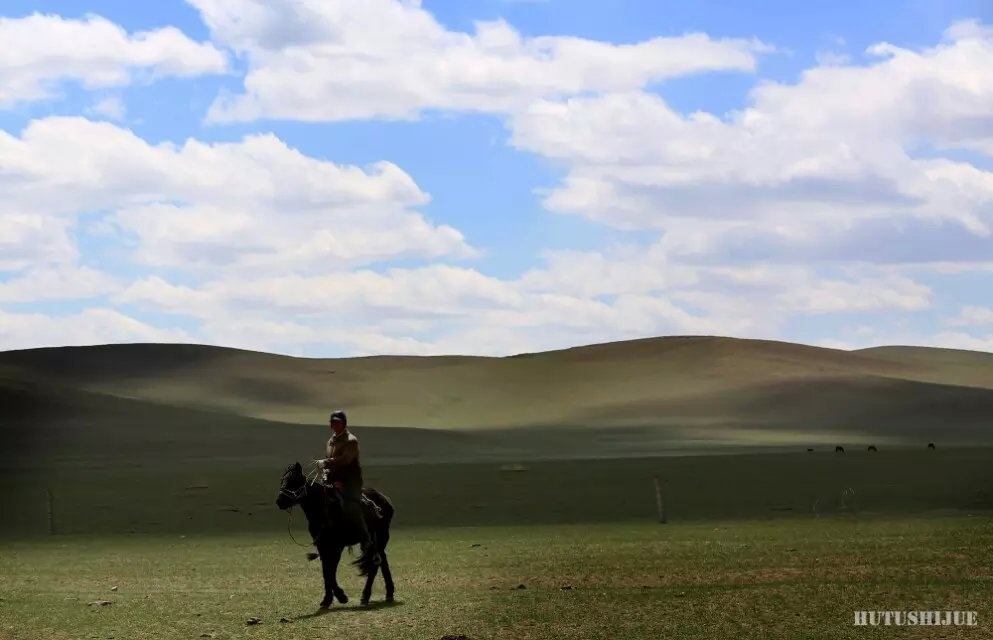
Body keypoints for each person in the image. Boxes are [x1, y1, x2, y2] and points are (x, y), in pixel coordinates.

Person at [321, 409, 380, 565]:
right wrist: (327, 473)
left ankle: (367, 542)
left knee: (350, 505)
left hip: (351, 481)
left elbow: (346, 460)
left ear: (344, 423)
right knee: (321, 502)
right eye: (332, 422)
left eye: (337, 422)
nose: (334, 425)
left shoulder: (351, 440)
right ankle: (324, 540)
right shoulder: (330, 441)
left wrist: (327, 463)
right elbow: (329, 460)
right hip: (334, 479)